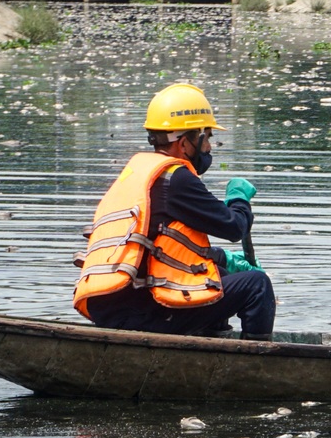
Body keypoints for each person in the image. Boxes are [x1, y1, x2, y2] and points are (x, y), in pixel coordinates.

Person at [73, 82, 276, 340]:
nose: (209, 148)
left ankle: (210, 347)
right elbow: (234, 227)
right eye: (206, 138)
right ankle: (254, 368)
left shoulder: (139, 175)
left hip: (112, 306)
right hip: (143, 312)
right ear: (184, 142)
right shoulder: (176, 179)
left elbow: (164, 249)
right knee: (257, 286)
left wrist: (222, 259)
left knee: (216, 274)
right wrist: (239, 200)